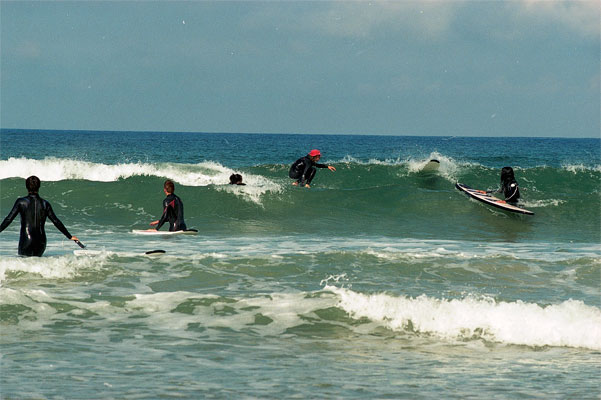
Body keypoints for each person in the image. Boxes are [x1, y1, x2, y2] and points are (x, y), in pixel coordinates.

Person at [0, 176, 81, 256]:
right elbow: (56, 221)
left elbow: (8, 219)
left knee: (25, 265)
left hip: (26, 241)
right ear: (39, 186)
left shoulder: (21, 202)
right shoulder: (45, 204)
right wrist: (69, 236)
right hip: (41, 242)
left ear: (26, 186)